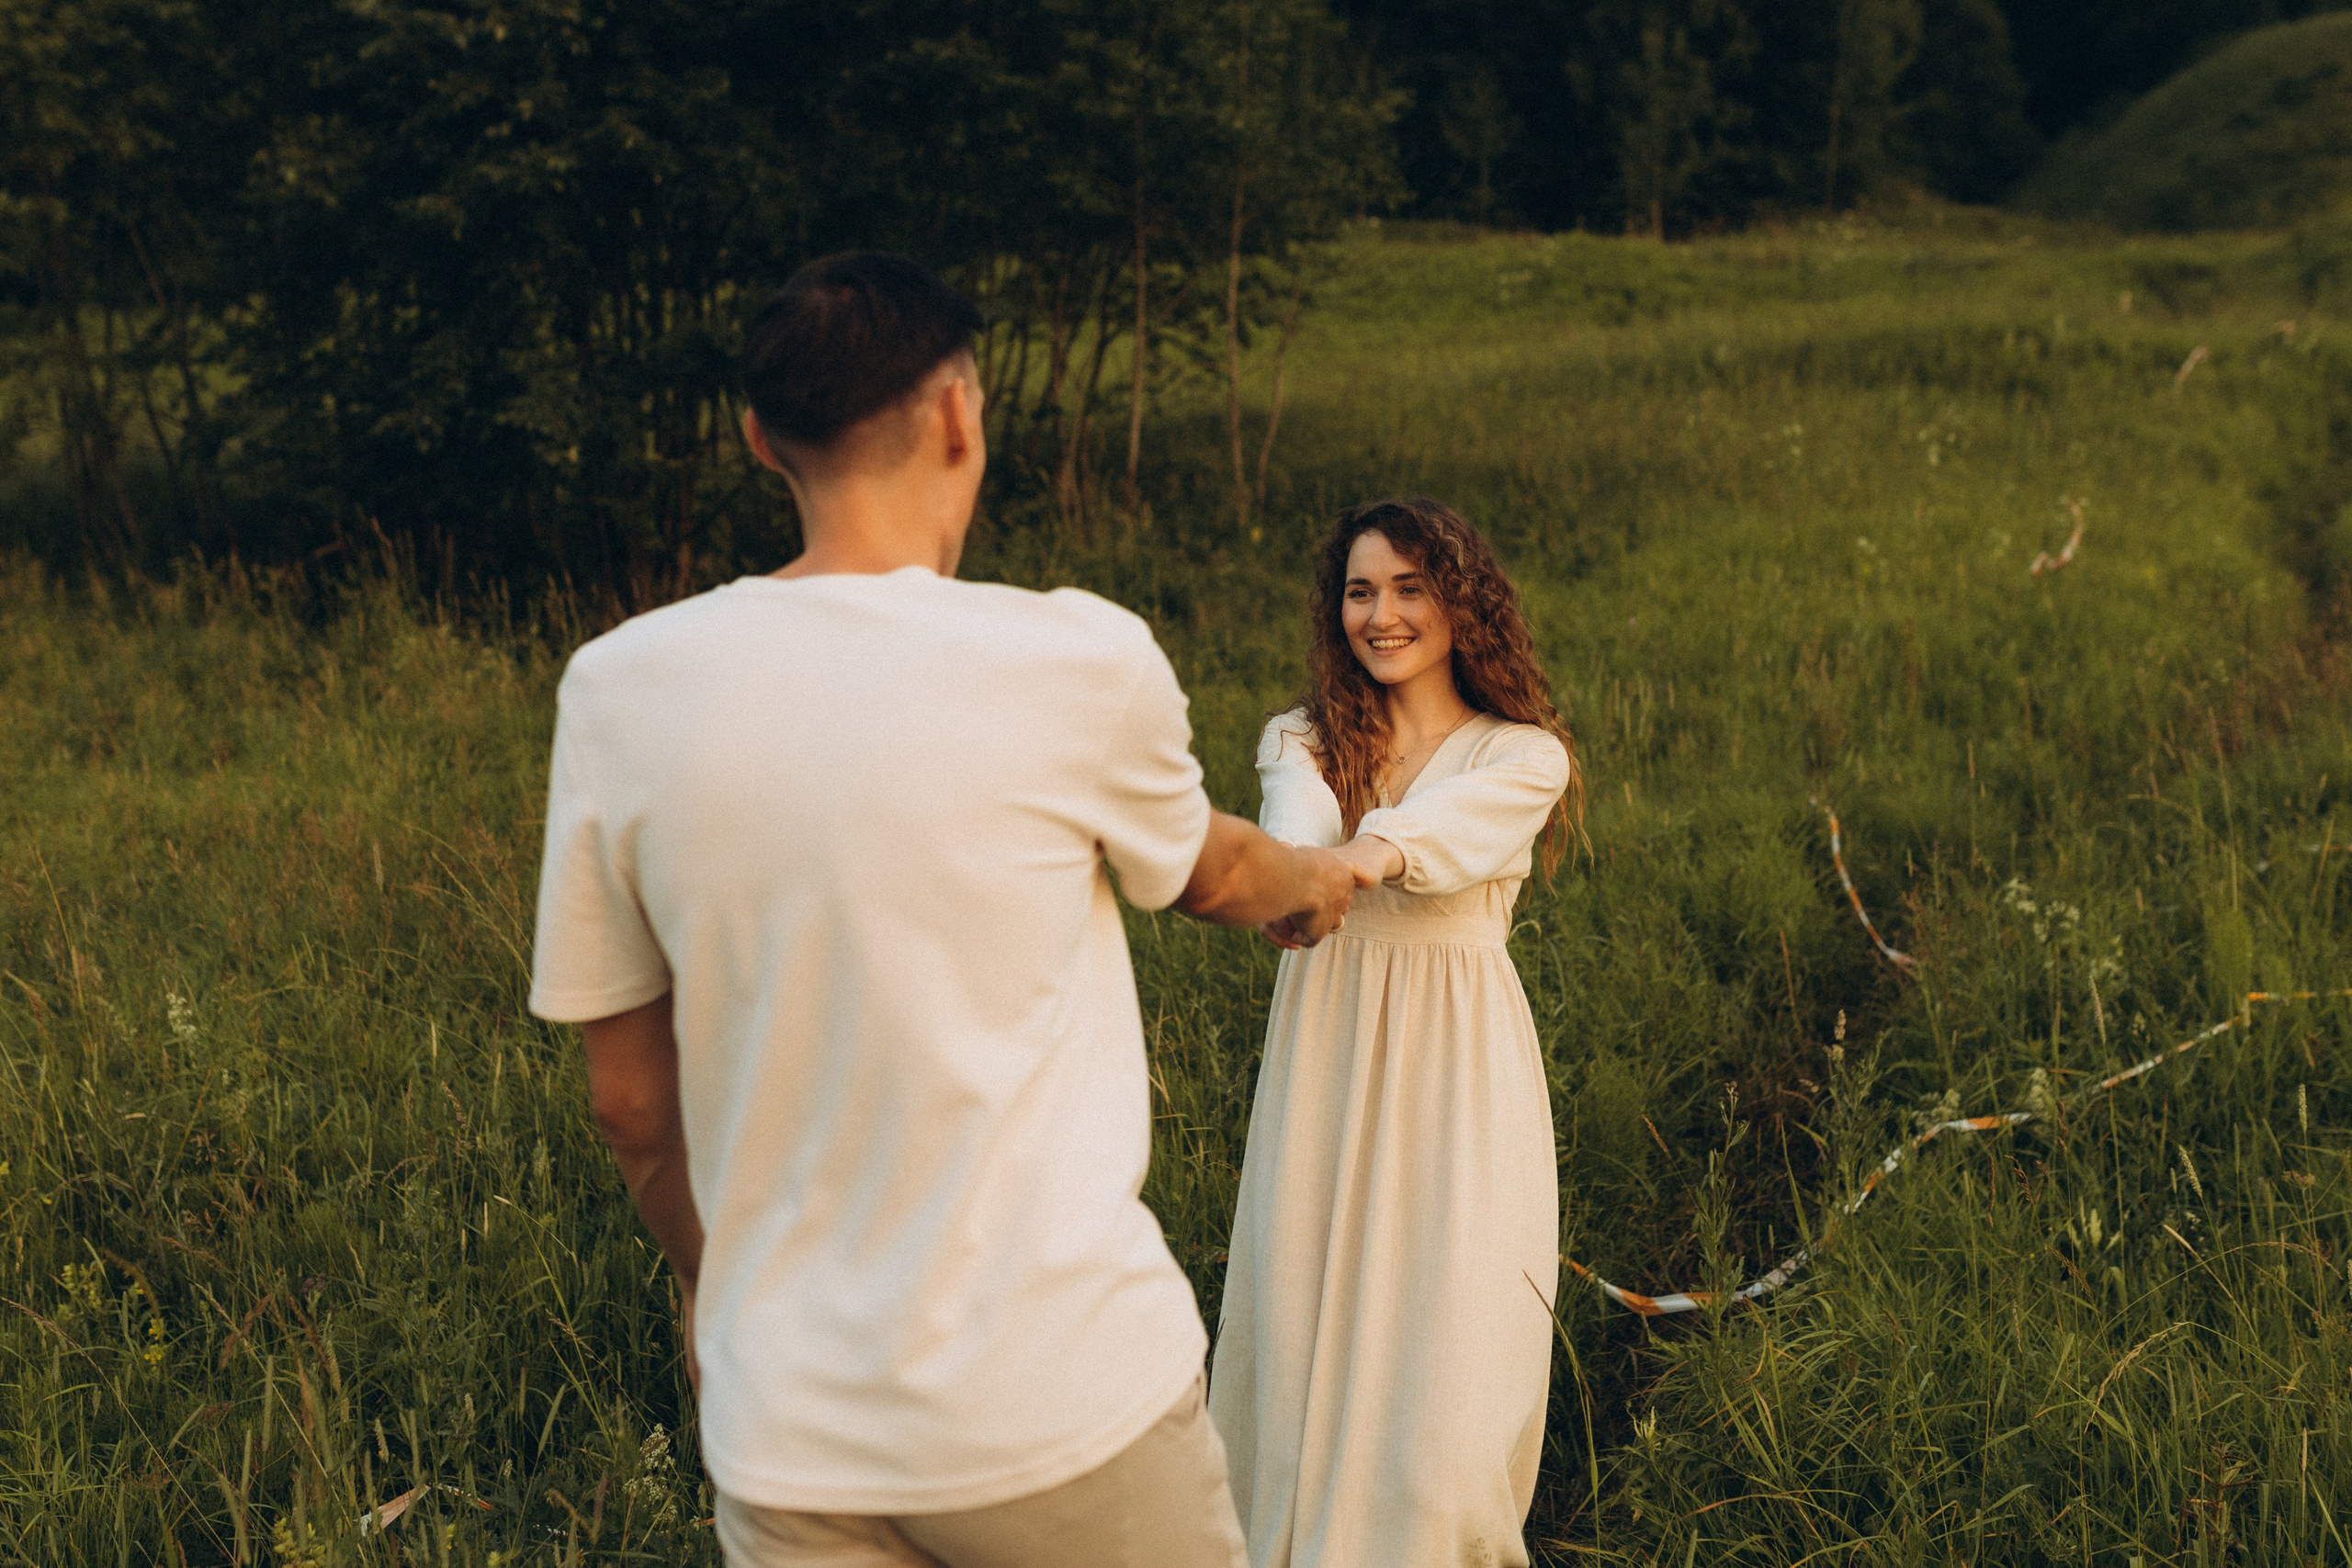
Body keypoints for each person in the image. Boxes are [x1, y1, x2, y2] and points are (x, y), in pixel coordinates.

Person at [526, 251, 1365, 1568]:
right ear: (962, 415)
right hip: (1065, 1405)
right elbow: (1211, 870)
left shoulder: (618, 690)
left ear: (762, 441)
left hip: (790, 1432)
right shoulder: (1074, 657)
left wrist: (716, 1288)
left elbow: (630, 1100)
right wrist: (1317, 882)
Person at [1207, 498, 1583, 1568]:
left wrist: (1345, 868)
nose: (1380, 615)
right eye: (1361, 590)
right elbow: (1296, 822)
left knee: (1451, 1314)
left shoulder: (1521, 756)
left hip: (1456, 1062)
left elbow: (1423, 842)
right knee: (1300, 1292)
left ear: (1462, 603)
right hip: (1328, 1042)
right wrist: (1290, 874)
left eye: (1410, 588)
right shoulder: (1303, 736)